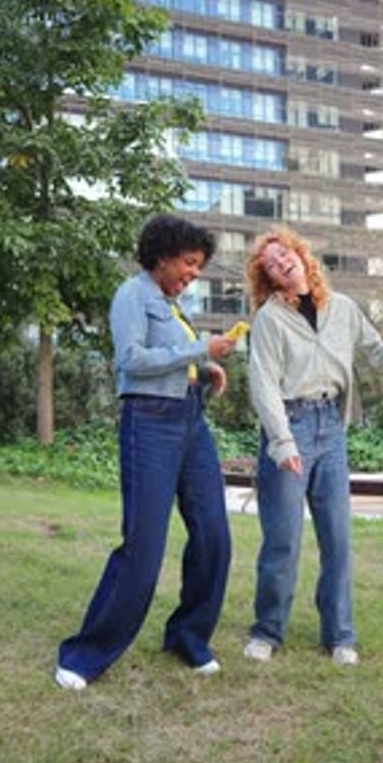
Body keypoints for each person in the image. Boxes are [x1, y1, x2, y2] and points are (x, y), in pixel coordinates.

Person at [56, 214, 236, 689]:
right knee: (144, 547)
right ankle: (84, 654)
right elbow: (130, 360)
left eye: (199, 266)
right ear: (163, 255)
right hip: (150, 424)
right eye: (190, 263)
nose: (194, 273)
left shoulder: (175, 306)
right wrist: (199, 352)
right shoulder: (133, 295)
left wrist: (205, 370)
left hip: (191, 422)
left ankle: (187, 636)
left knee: (215, 534)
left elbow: (176, 360)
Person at [243, 226, 383, 667]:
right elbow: (263, 383)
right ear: (268, 278)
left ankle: (340, 635)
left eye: (285, 254)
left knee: (337, 539)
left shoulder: (341, 308)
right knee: (282, 540)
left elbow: (372, 351)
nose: (282, 262)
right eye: (271, 264)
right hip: (290, 425)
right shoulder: (269, 319)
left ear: (301, 256)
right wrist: (282, 444)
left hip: (331, 430)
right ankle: (267, 630)